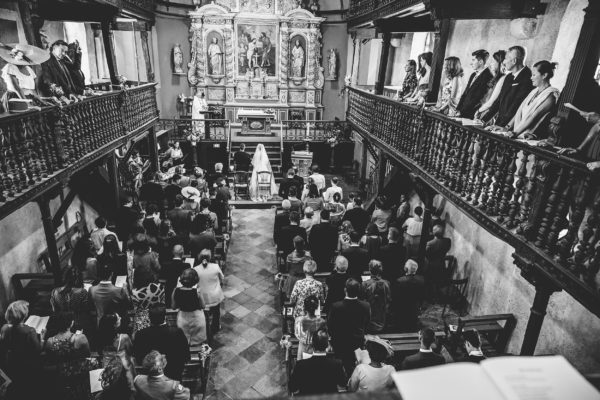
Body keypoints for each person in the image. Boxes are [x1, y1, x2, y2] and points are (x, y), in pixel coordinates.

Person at [490, 60, 560, 139]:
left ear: (544, 75)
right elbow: (519, 111)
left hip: (529, 137)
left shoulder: (551, 95)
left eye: (534, 75)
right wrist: (507, 128)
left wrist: (515, 133)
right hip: (518, 132)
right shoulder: (534, 91)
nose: (531, 78)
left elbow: (534, 116)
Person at [44, 312, 96, 400]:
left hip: (59, 375)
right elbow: (87, 355)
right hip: (77, 375)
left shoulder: (50, 341)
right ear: (71, 323)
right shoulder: (80, 338)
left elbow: (49, 360)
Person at [134, 304, 190, 381]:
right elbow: (185, 354)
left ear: (149, 318)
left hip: (150, 374)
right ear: (165, 317)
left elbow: (138, 356)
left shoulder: (140, 334)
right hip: (173, 373)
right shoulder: (176, 332)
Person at [480, 45, 533, 126]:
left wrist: (501, 126)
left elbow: (516, 107)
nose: (503, 62)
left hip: (511, 126)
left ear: (514, 61)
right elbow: (498, 101)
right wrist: (483, 120)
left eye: (506, 58)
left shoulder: (528, 78)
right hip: (499, 123)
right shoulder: (508, 77)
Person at [0, 300, 43, 399]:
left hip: (10, 363)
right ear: (23, 314)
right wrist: (43, 338)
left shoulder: (4, 328)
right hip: (26, 366)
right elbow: (38, 350)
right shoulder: (29, 331)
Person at [329, 278, 371, 377]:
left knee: (342, 364)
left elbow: (330, 325)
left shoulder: (336, 306)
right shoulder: (365, 306)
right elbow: (367, 323)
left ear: (345, 290)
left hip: (340, 342)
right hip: (357, 341)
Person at [289, 330, 347, 395]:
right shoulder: (337, 364)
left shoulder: (301, 365)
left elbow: (292, 387)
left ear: (312, 345)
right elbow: (343, 384)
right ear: (327, 345)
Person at [172, 268, 207, 346]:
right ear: (195, 280)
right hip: (196, 318)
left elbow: (173, 307)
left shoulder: (176, 290)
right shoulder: (197, 291)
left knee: (184, 341)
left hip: (183, 318)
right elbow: (203, 306)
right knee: (197, 342)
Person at [50, 266, 90, 332]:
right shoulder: (82, 292)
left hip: (61, 323)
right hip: (77, 323)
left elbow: (54, 310)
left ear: (65, 277)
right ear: (79, 278)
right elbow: (85, 310)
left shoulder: (55, 291)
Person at [194, 249, 224, 335]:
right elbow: (222, 278)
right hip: (214, 296)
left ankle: (205, 327)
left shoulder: (195, 269)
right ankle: (216, 326)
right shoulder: (215, 267)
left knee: (203, 314)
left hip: (202, 297)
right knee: (216, 312)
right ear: (210, 257)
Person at [457, 49, 493, 119]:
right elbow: (465, 93)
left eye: (473, 60)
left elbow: (479, 98)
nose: (471, 63)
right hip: (462, 111)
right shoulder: (473, 75)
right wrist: (458, 109)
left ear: (481, 62)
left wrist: (463, 112)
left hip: (472, 114)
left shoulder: (488, 76)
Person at [392, 259, 425, 332]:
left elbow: (395, 298)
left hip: (402, 310)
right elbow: (422, 296)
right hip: (414, 309)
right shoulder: (421, 280)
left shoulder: (400, 281)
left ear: (405, 269)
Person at [360, 260, 392, 333]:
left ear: (370, 270)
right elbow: (389, 300)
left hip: (369, 322)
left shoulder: (365, 284)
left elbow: (362, 302)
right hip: (383, 320)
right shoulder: (387, 283)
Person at [476, 50, 507, 118]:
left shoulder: (503, 78)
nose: (491, 64)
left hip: (488, 113)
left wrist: (478, 111)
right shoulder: (495, 77)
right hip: (483, 110)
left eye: (493, 61)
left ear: (500, 63)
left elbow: (492, 101)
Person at [294, 295, 326, 360]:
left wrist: (305, 340)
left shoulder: (298, 320)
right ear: (316, 308)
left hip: (302, 347)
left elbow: (297, 335)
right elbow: (322, 337)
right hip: (316, 350)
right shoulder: (321, 321)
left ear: (305, 308)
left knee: (302, 366)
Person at [425, 224, 452, 298]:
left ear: (433, 232)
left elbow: (426, 254)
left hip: (431, 264)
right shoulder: (448, 241)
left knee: (431, 280)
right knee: (438, 280)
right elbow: (447, 249)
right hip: (441, 263)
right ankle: (437, 294)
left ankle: (431, 295)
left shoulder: (430, 244)